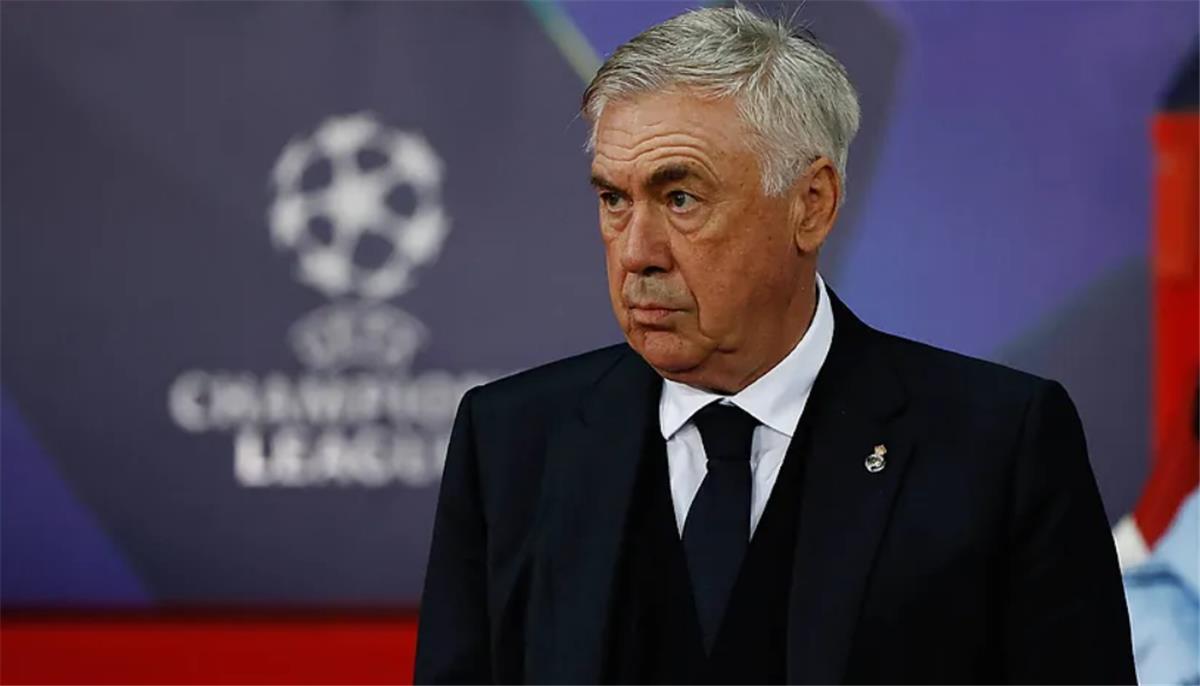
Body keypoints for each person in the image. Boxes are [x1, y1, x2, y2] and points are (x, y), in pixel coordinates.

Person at [415, 7, 1135, 684]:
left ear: (811, 204)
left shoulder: (997, 447)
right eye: (614, 200)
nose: (636, 253)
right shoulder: (512, 443)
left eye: (681, 198)